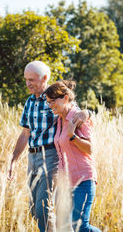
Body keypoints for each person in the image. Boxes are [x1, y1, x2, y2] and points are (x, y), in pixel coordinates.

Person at [7, 61, 90, 232]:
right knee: (34, 209)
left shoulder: (54, 98)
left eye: (31, 79)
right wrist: (13, 160)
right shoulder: (29, 102)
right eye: (26, 79)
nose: (27, 83)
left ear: (45, 78)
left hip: (51, 157)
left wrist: (87, 113)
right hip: (32, 158)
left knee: (42, 208)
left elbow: (77, 111)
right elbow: (25, 134)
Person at [45, 80, 100, 232]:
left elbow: (90, 148)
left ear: (66, 98)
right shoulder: (58, 120)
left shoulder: (78, 117)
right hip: (66, 183)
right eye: (48, 102)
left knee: (81, 227)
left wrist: (72, 136)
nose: (50, 106)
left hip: (83, 179)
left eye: (53, 101)